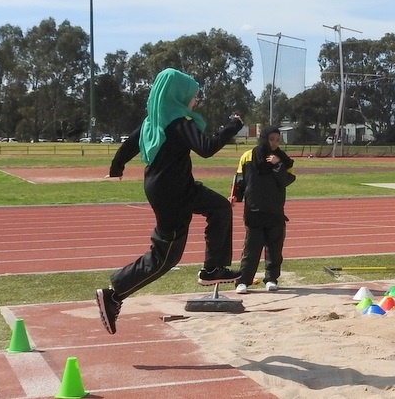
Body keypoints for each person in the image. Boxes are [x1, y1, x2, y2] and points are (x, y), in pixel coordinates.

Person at [96, 67, 244, 334]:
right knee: (164, 258)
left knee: (220, 207)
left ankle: (213, 268)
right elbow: (207, 148)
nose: (196, 101)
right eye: (194, 96)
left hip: (176, 186)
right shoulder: (177, 122)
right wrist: (233, 126)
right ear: (178, 95)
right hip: (171, 194)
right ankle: (114, 294)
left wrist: (116, 168)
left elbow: (129, 145)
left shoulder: (154, 120)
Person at [230, 125, 295, 294]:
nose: (274, 143)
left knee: (274, 248)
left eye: (277, 140)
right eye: (271, 139)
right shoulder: (248, 156)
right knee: (251, 247)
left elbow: (286, 180)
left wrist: (278, 164)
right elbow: (240, 180)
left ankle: (271, 279)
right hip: (253, 210)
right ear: (264, 138)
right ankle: (243, 281)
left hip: (274, 210)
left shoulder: (283, 159)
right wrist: (235, 196)